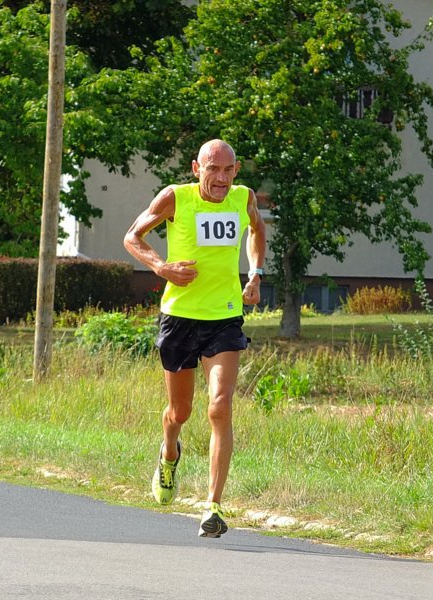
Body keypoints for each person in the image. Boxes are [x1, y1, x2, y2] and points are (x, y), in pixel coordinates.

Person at [123, 139, 266, 538]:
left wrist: (255, 274)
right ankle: (169, 451)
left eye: (228, 170)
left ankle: (213, 506)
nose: (220, 178)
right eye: (212, 169)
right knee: (179, 412)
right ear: (195, 168)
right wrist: (161, 266)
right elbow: (132, 237)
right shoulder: (175, 198)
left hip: (224, 318)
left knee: (219, 407)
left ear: (235, 171)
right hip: (179, 318)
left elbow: (257, 231)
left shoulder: (244, 198)